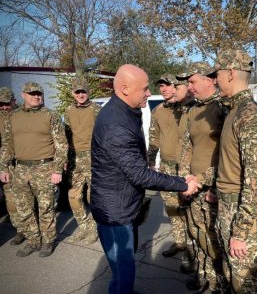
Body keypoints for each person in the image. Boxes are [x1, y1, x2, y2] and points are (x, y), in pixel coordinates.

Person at [90, 64, 200, 294]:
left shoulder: (125, 111)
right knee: (124, 270)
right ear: (124, 88)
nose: (149, 93)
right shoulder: (116, 123)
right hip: (115, 212)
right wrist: (182, 183)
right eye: (144, 89)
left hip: (121, 204)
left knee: (124, 268)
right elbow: (138, 173)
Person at [212, 49, 257, 293]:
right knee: (231, 274)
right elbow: (229, 164)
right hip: (227, 208)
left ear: (231, 73)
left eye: (217, 75)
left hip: (241, 213)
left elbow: (256, 180)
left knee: (246, 283)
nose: (214, 80)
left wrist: (241, 231)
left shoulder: (250, 115)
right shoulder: (233, 112)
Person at [0, 82, 68, 257]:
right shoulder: (12, 117)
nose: (36, 96)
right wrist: (4, 168)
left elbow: (62, 146)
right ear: (23, 95)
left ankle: (47, 241)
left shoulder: (50, 116)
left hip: (45, 168)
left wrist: (57, 170)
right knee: (24, 209)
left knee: (46, 208)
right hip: (20, 169)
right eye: (32, 93)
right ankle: (33, 241)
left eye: (39, 93)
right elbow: (7, 145)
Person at [178, 62, 227, 294]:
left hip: (211, 186)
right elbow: (187, 146)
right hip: (192, 184)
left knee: (212, 238)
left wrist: (210, 182)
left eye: (192, 81)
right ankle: (205, 276)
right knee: (197, 233)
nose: (189, 87)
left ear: (209, 80)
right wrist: (184, 177)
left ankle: (219, 281)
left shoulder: (223, 107)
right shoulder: (192, 110)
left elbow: (228, 154)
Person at [147, 73, 189, 257]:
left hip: (186, 168)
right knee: (172, 209)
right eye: (161, 86)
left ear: (176, 86)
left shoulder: (188, 109)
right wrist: (150, 159)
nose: (163, 89)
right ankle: (180, 243)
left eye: (167, 85)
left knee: (190, 210)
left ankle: (194, 251)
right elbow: (154, 137)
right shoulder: (158, 110)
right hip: (166, 167)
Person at [63, 78, 100, 244]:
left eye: (83, 91)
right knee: (74, 196)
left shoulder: (96, 109)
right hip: (74, 159)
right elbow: (65, 137)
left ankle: (96, 229)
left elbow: (104, 134)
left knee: (94, 197)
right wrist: (64, 157)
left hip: (93, 158)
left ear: (88, 92)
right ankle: (85, 227)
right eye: (78, 92)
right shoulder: (68, 111)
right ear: (73, 93)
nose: (81, 94)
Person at [173, 77, 197, 273]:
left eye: (177, 86)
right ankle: (189, 255)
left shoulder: (198, 111)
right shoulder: (180, 111)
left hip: (195, 176)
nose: (172, 90)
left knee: (195, 221)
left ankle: (195, 261)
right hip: (181, 171)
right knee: (181, 215)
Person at [0, 87, 24, 245]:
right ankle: (19, 230)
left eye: (7, 103)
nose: (4, 107)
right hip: (5, 163)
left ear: (14, 101)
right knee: (10, 199)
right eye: (1, 104)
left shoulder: (22, 115)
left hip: (23, 162)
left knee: (25, 198)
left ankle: (31, 229)